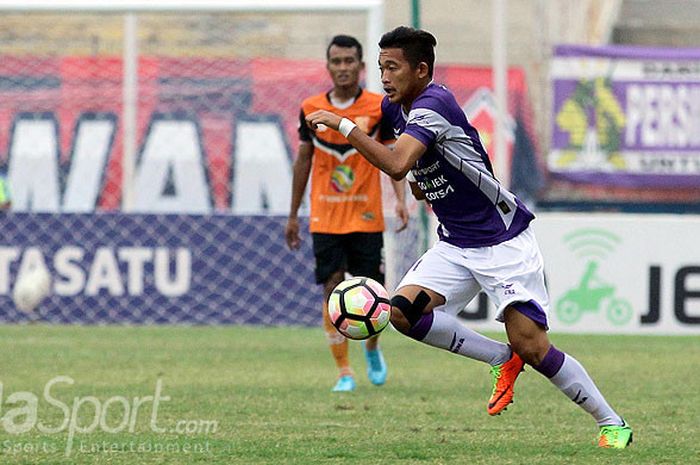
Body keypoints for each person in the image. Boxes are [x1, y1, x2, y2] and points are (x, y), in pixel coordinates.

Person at [305, 26, 632, 448]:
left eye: (393, 68)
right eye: (382, 67)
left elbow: (397, 163)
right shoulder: (394, 108)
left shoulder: (433, 104)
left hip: (503, 243)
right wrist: (424, 185)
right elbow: (417, 168)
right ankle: (500, 357)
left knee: (534, 347)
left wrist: (343, 124)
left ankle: (612, 423)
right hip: (456, 244)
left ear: (421, 70)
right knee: (401, 312)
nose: (385, 77)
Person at [286, 35, 409, 393]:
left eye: (349, 61)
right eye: (336, 61)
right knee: (331, 289)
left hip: (366, 216)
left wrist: (400, 199)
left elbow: (392, 155)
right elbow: (304, 161)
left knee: (375, 293)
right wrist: (293, 214)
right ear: (328, 66)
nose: (343, 68)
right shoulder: (310, 107)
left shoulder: (377, 106)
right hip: (325, 214)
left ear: (361, 66)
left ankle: (371, 348)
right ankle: (344, 371)